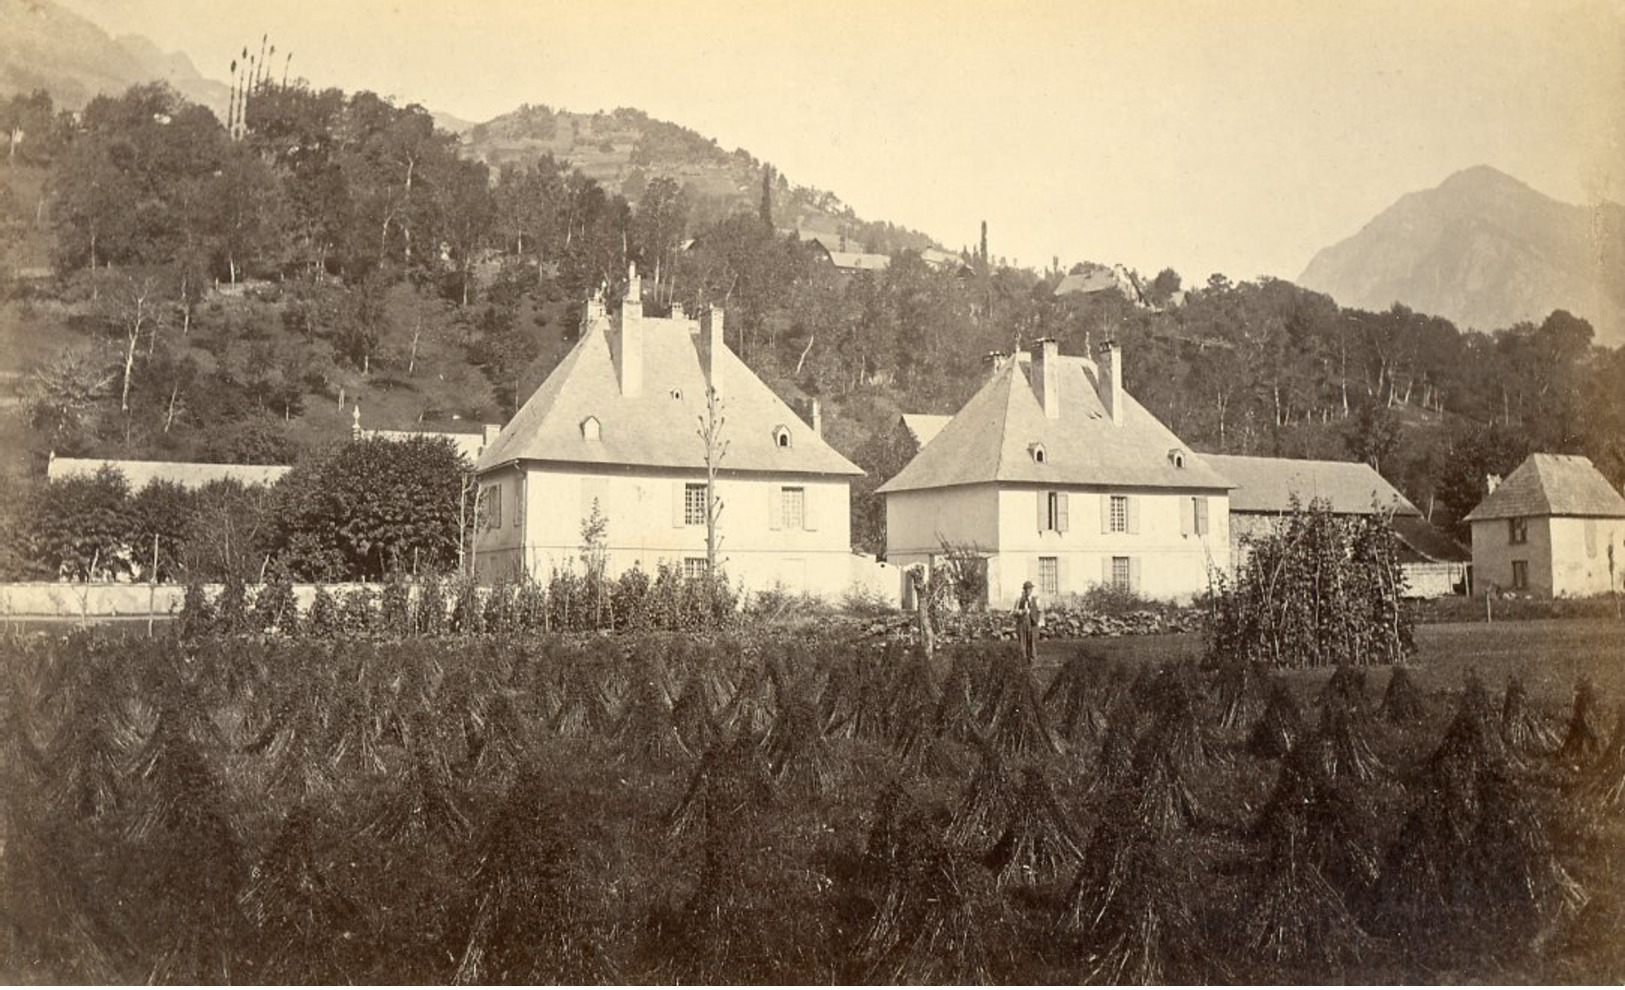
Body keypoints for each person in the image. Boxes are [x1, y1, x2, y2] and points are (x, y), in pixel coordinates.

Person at [1014, 580, 1042, 663]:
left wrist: (1039, 621)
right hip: (1022, 623)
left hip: (1032, 624)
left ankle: (1033, 661)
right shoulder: (1019, 600)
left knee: (1032, 643)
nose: (1028, 591)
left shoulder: (1036, 600)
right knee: (1023, 643)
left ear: (1032, 590)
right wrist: (1022, 611)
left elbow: (1040, 611)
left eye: (1029, 589)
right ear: (1024, 590)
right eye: (1026, 589)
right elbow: (1014, 612)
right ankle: (1024, 661)